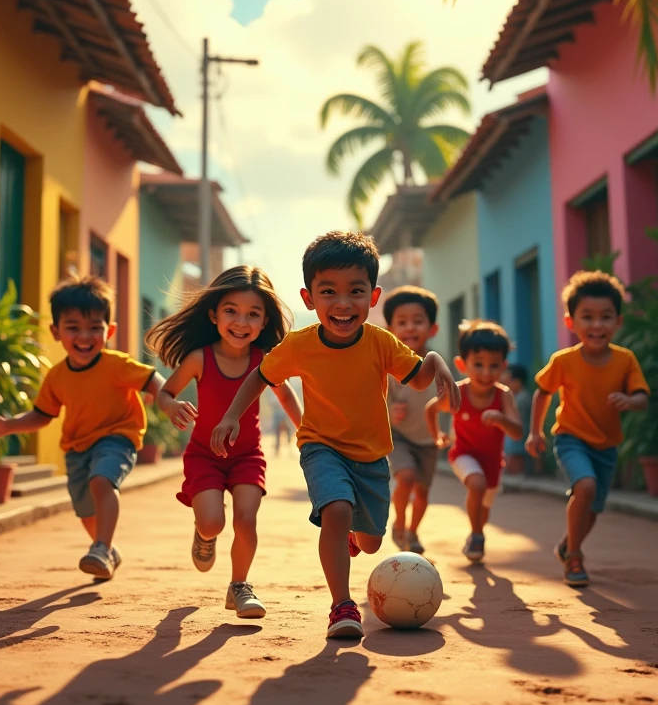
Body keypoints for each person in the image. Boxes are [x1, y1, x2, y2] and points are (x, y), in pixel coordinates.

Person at [211, 231, 460, 639]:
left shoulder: (382, 343)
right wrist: (232, 416)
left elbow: (418, 380)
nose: (343, 303)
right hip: (321, 445)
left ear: (373, 297)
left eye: (356, 291)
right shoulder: (299, 345)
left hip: (372, 455)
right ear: (309, 298)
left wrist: (436, 361)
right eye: (329, 292)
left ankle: (348, 536)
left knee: (371, 542)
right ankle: (342, 606)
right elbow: (261, 375)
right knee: (338, 509)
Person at [0, 276, 182, 581]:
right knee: (86, 511)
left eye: (95, 328)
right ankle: (107, 550)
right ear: (56, 332)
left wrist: (166, 401)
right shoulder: (57, 377)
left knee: (102, 481)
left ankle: (101, 546)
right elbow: (42, 414)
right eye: (73, 327)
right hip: (76, 449)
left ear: (108, 331)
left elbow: (153, 379)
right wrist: (8, 426)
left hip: (118, 437)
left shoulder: (116, 364)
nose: (85, 336)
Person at [146, 266, 301, 619]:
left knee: (247, 521)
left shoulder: (265, 360)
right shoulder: (200, 357)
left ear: (264, 322)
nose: (241, 322)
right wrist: (171, 406)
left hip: (248, 455)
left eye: (253, 314)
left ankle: (239, 586)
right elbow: (165, 392)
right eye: (231, 311)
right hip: (204, 456)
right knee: (214, 522)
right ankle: (204, 534)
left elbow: (288, 398)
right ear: (214, 314)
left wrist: (306, 433)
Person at [526, 270, 649, 588]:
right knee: (586, 487)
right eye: (587, 317)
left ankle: (568, 543)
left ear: (618, 321)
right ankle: (575, 555)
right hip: (570, 438)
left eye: (606, 317)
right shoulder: (564, 361)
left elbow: (641, 397)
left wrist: (629, 400)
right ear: (571, 322)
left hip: (606, 445)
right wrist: (535, 432)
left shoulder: (625, 360)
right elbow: (543, 392)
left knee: (593, 507)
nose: (597, 325)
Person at [427, 320, 522, 563]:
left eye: (494, 366)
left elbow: (517, 432)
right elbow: (431, 409)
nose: (486, 373)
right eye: (478, 364)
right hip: (463, 454)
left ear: (504, 366)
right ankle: (478, 534)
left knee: (485, 507)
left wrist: (501, 418)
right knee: (476, 485)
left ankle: (475, 533)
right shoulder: (457, 392)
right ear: (462, 364)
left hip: (492, 461)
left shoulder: (503, 396)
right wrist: (437, 435)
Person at [384, 285, 441, 554]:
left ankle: (413, 532)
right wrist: (391, 410)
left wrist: (448, 429)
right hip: (400, 435)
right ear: (390, 329)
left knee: (423, 491)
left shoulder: (436, 365)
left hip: (429, 439)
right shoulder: (390, 366)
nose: (410, 328)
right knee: (405, 477)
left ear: (432, 329)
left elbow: (450, 400)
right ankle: (399, 522)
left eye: (418, 322)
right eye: (402, 322)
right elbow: (379, 400)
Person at [500, 364, 532, 476]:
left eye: (509, 381)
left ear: (518, 381)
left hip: (518, 442)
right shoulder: (514, 397)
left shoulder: (523, 398)